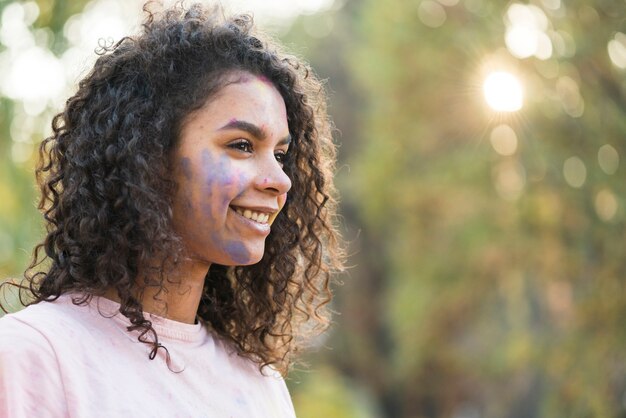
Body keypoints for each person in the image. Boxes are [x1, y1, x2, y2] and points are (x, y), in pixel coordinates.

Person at [0, 2, 343, 417]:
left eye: (281, 154)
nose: (280, 179)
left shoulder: (259, 383)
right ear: (148, 157)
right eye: (241, 146)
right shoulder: (36, 356)